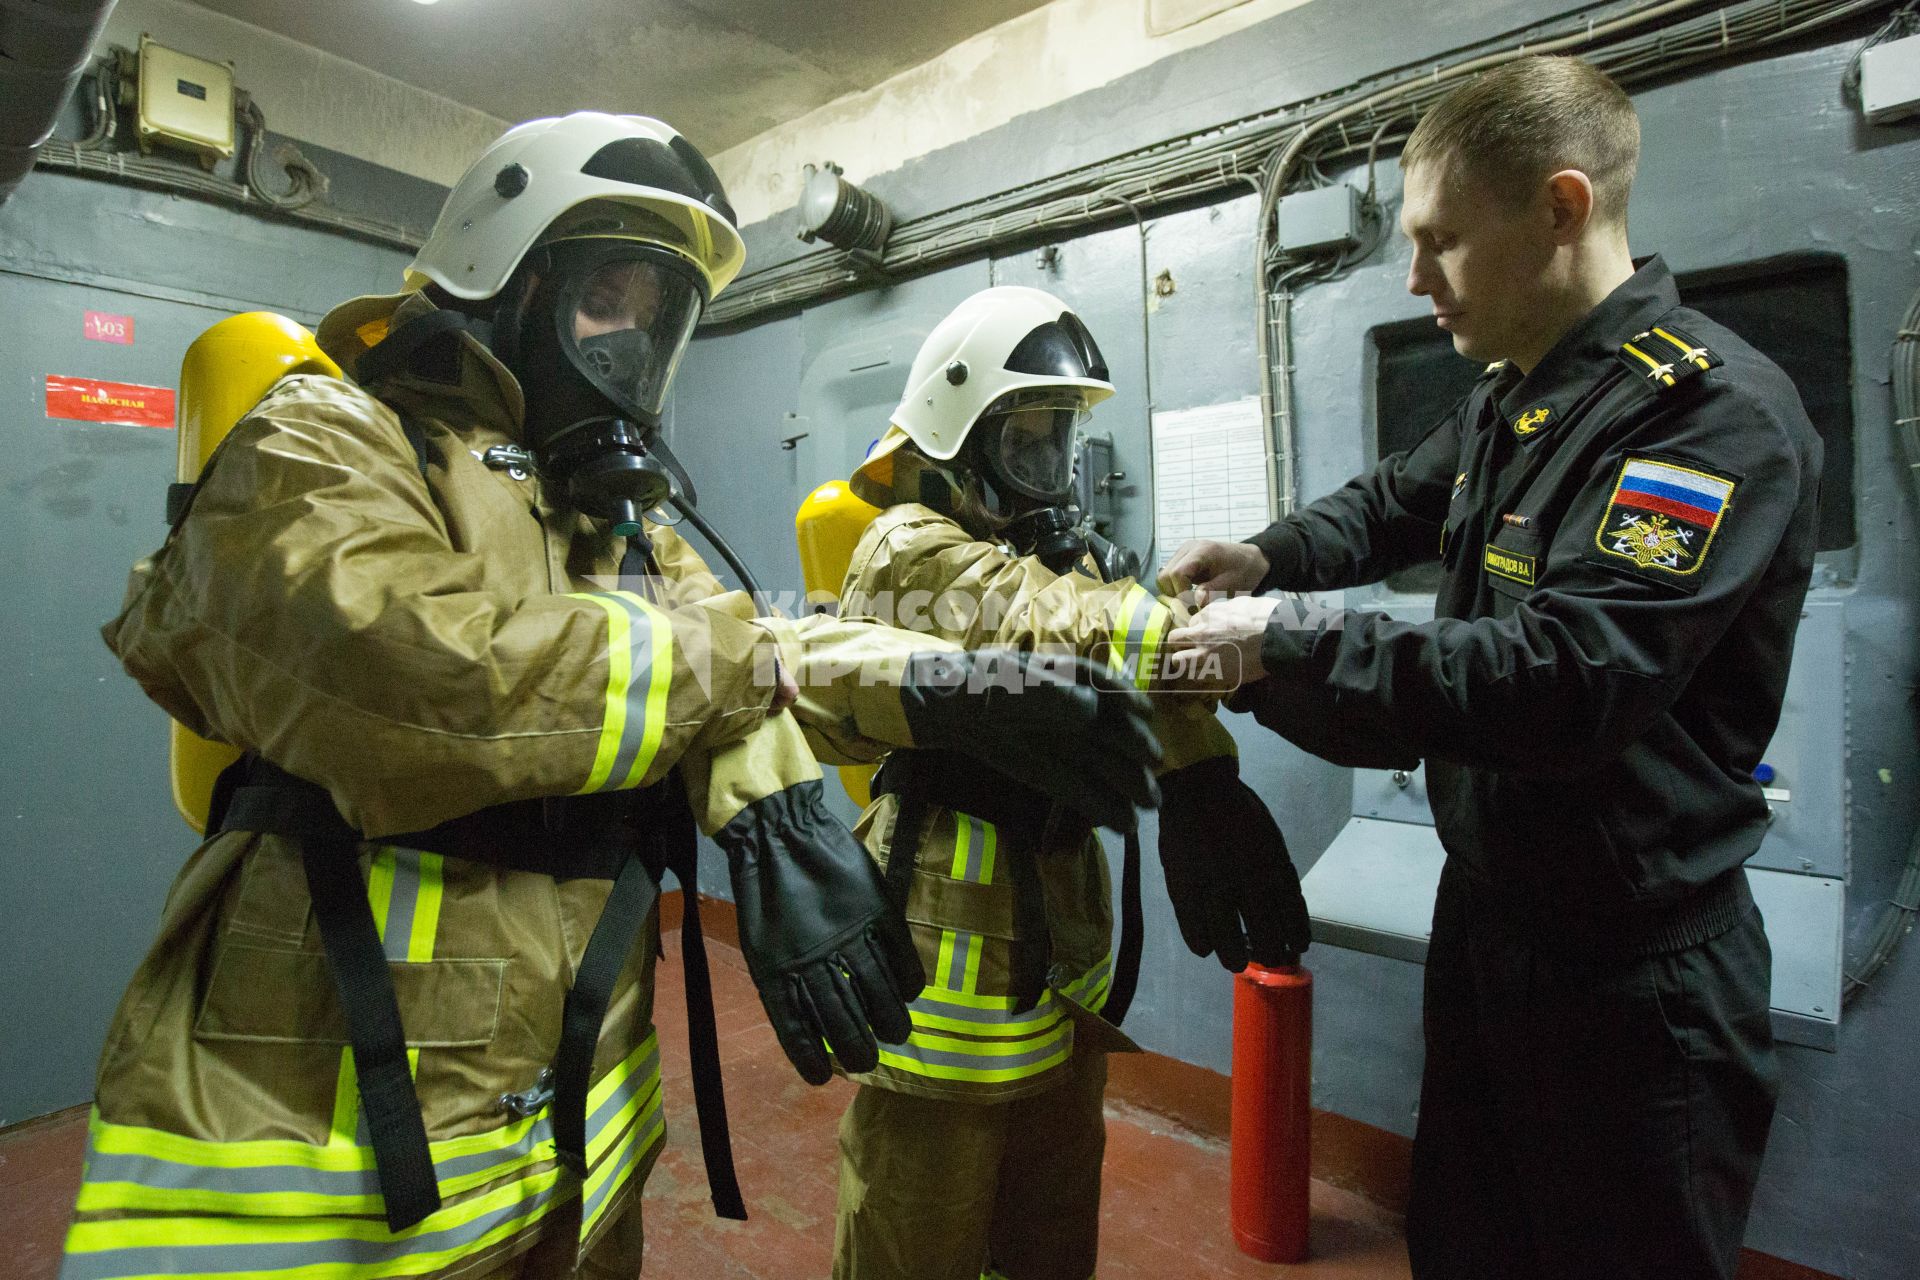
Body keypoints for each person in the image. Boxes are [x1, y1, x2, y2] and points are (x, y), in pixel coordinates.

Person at [61, 114, 1161, 1280]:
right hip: (316, 1167)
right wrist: (757, 680)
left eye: (659, 321)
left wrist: (929, 684)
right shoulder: (328, 436)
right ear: (503, 279)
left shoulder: (615, 524)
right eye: (607, 303)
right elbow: (405, 672)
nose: (633, 352)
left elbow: (750, 644)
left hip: (578, 1141)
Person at [1162, 56, 1817, 1280]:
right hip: (1491, 929)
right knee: (1467, 1244)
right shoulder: (1512, 398)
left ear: (1562, 209)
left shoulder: (1705, 416)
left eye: (1442, 241)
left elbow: (1570, 677)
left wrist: (1279, 647)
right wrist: (1265, 553)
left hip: (1635, 975)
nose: (1415, 279)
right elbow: (1390, 505)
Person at [830, 285, 1313, 1280]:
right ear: (955, 437)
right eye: (1025, 443)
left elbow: (1108, 663)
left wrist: (1200, 779)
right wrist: (1216, 638)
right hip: (938, 971)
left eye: (1059, 443)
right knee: (914, 1244)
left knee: (1049, 1241)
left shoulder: (1057, 560)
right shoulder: (903, 552)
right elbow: (1033, 621)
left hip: (1062, 964)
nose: (1050, 474)